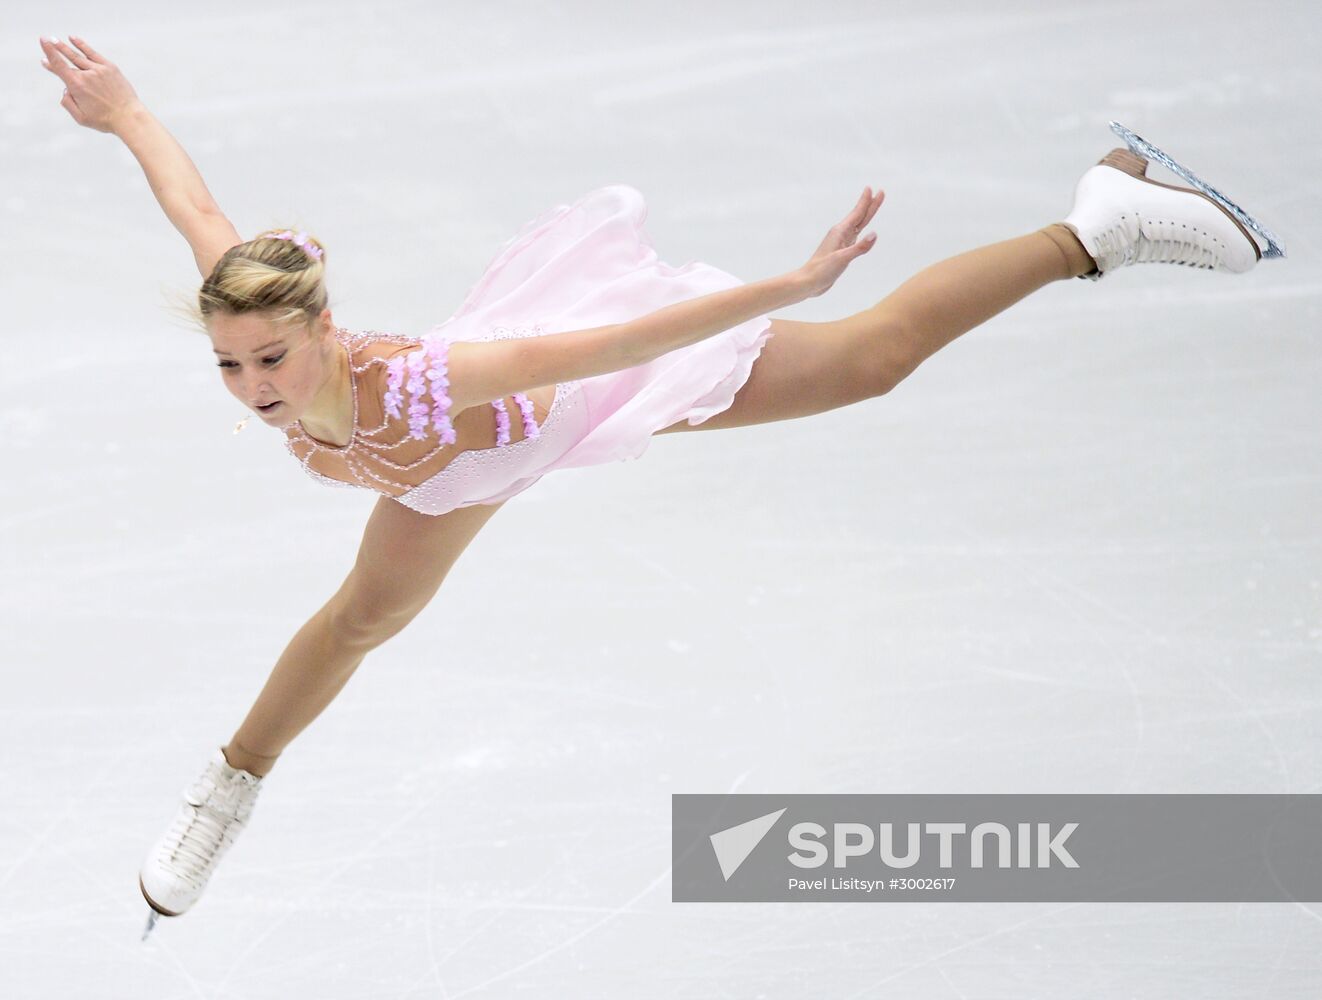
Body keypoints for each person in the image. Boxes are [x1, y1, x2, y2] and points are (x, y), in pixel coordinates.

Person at [37, 35, 1279, 934]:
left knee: (872, 360)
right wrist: (126, 107)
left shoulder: (428, 378)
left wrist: (780, 293)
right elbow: (190, 201)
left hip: (565, 398)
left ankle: (1098, 223)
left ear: (322, 329)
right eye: (231, 363)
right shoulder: (254, 302)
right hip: (450, 479)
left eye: (271, 358)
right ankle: (226, 789)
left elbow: (612, 351)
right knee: (362, 616)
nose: (252, 383)